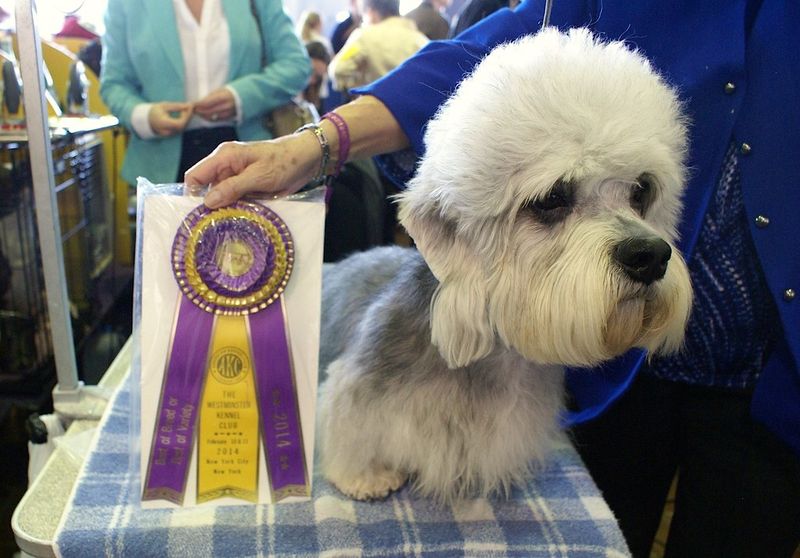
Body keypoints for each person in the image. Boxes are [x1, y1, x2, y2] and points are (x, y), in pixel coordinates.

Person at [185, 1, 800, 556]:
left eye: (640, 196)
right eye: (552, 200)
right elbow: (478, 53)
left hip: (779, 370)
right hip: (610, 372)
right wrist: (319, 143)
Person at [100, 0, 310, 185]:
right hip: (161, 166)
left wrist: (242, 96)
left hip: (249, 153)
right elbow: (113, 84)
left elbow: (296, 64)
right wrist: (145, 117)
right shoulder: (124, 3)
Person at [328, 0, 429, 95]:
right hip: (412, 108)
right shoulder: (420, 39)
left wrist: (359, 85)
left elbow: (337, 70)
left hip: (375, 106)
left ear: (370, 11)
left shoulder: (364, 36)